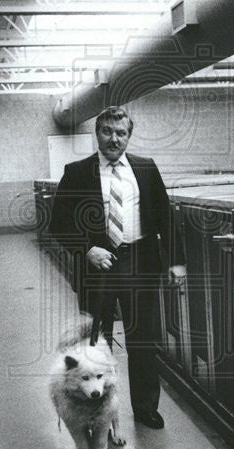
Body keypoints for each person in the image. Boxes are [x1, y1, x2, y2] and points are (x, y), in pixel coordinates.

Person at [48, 106, 186, 430]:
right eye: (108, 131)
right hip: (98, 265)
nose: (114, 138)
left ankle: (145, 408)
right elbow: (58, 223)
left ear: (129, 135)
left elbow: (166, 217)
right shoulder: (77, 171)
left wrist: (176, 262)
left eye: (121, 132)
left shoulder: (146, 168)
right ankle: (99, 413)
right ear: (98, 134)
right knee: (96, 343)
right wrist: (87, 250)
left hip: (141, 261)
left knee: (144, 340)